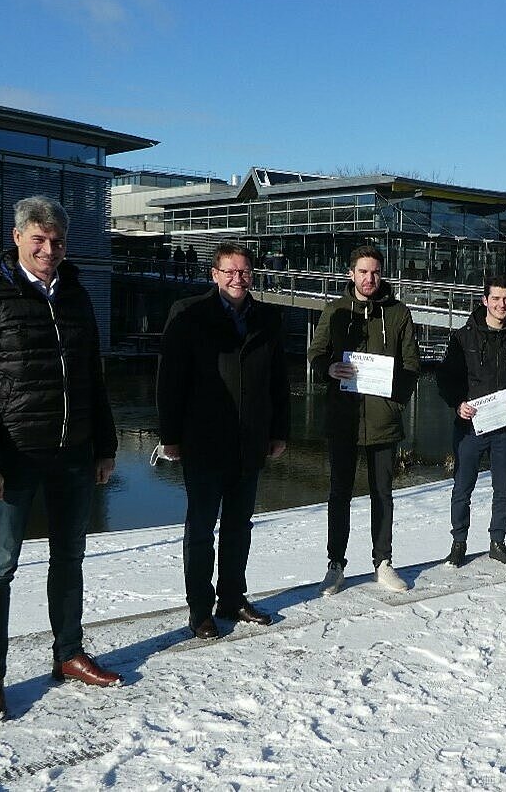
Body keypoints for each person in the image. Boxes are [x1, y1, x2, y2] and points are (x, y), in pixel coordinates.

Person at [0, 196, 120, 721]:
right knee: (0, 565)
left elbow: (93, 377)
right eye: (39, 239)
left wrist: (105, 446)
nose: (49, 249)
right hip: (14, 456)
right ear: (18, 237)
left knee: (70, 556)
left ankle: (68, 653)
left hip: (73, 453)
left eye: (58, 241)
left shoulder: (76, 295)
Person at [157, 244, 290, 639]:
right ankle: (200, 609)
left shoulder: (268, 318)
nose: (238, 278)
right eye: (229, 271)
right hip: (203, 439)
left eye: (244, 271)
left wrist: (279, 431)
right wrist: (170, 436)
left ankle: (232, 597)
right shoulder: (189, 313)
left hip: (250, 439)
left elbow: (279, 380)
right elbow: (170, 378)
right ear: (214, 274)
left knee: (238, 525)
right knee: (201, 528)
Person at [307, 245, 421, 595]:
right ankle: (335, 564)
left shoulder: (398, 313)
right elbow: (315, 353)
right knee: (339, 493)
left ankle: (383, 562)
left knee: (382, 494)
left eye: (375, 272)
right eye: (363, 272)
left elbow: (411, 364)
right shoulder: (336, 310)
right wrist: (328, 368)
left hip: (383, 418)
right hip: (343, 418)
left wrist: (395, 400)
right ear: (351, 274)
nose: (369, 278)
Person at [438, 275, 506, 566]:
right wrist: (457, 403)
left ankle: (498, 542)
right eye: (496, 298)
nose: (501, 304)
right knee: (462, 488)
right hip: (471, 426)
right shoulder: (463, 338)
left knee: (503, 489)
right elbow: (446, 378)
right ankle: (458, 543)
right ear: (485, 300)